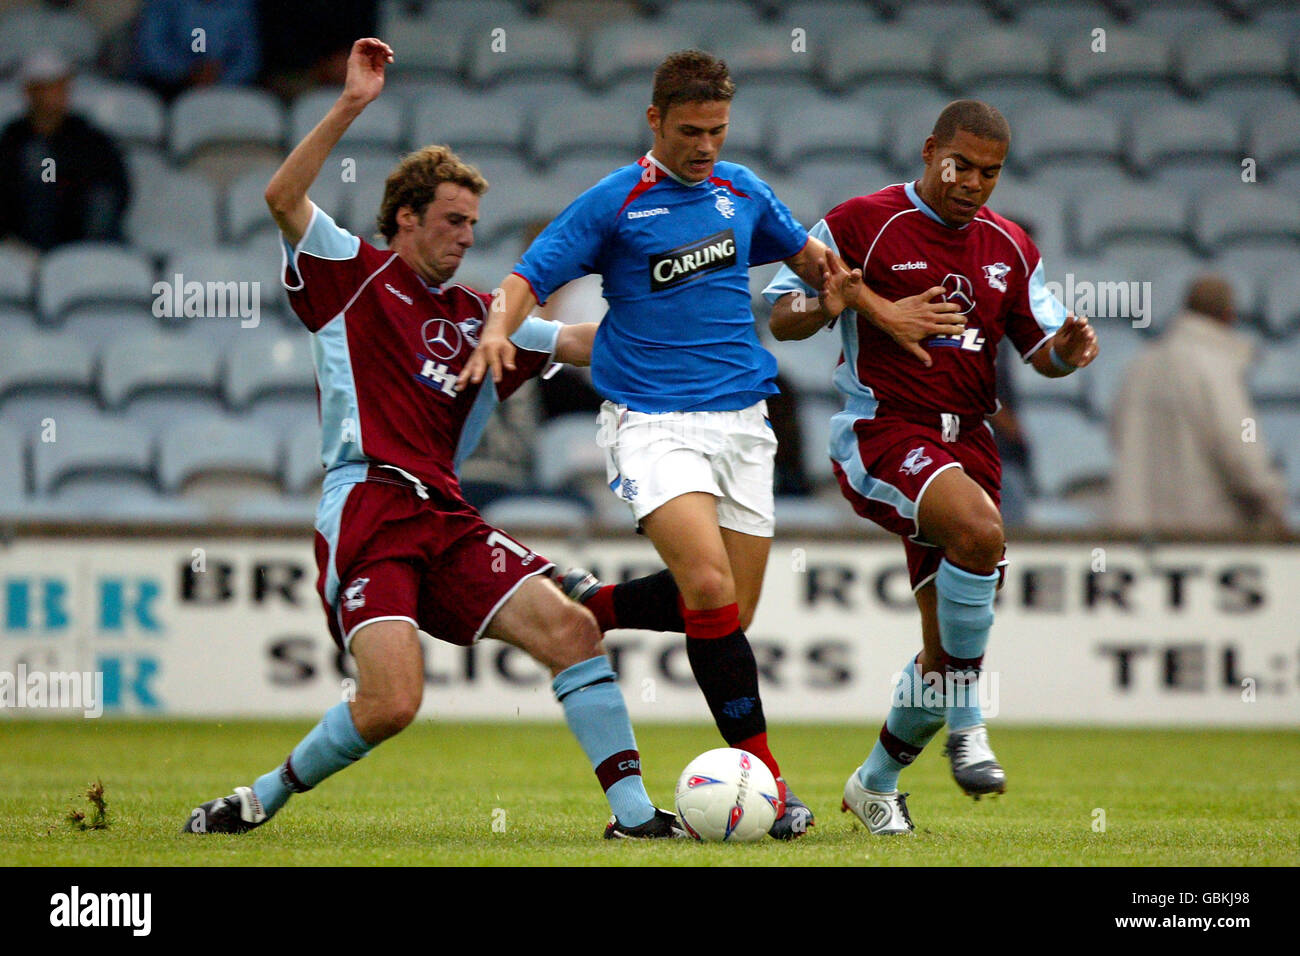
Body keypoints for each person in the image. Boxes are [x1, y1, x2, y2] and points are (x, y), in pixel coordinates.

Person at [182, 38, 682, 840]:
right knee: (392, 704)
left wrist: (672, 311)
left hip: (444, 517)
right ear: (406, 217)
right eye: (452, 221)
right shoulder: (353, 275)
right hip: (371, 507)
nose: (465, 236)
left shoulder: (478, 313)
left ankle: (634, 819)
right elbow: (282, 196)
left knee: (572, 629)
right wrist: (351, 105)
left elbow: (581, 344)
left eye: (473, 224)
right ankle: (259, 798)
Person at [460, 49, 963, 839]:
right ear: (654, 120)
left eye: (718, 130)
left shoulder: (743, 191)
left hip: (743, 425)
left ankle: (598, 602)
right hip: (652, 422)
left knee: (732, 608)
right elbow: (525, 277)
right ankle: (771, 783)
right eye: (690, 130)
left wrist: (870, 305)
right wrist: (497, 329)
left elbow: (814, 267)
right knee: (704, 583)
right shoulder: (614, 202)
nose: (705, 146)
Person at [764, 100, 1098, 835]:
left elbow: (1042, 352)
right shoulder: (861, 222)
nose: (974, 183)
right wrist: (839, 297)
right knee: (981, 532)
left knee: (943, 648)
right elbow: (779, 314)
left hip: (969, 443)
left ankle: (874, 784)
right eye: (961, 165)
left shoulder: (1010, 246)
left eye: (990, 172)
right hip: (885, 430)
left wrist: (1066, 355)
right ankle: (969, 726)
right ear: (928, 152)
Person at [1110, 275, 1287, 533]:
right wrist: (1271, 498)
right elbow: (1239, 444)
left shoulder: (1140, 365)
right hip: (1206, 535)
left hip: (1138, 531)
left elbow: (1117, 433)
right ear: (1229, 315)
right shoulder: (1216, 366)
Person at [0, 50, 130, 253]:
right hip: (23, 243)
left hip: (83, 239)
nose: (58, 93)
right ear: (30, 91)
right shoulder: (13, 139)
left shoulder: (89, 136)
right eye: (48, 87)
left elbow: (113, 186)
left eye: (61, 86)